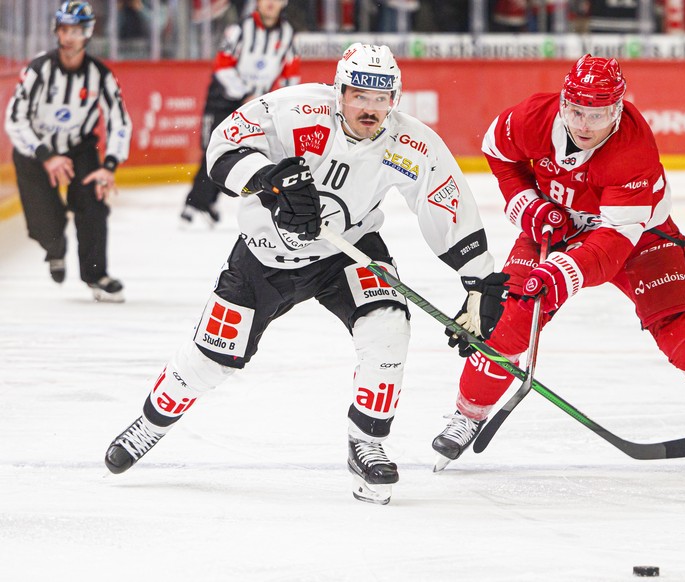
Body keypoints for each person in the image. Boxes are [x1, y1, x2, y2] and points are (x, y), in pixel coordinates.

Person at [104, 43, 509, 505]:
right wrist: (269, 179)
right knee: (209, 360)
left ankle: (367, 443)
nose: (371, 108)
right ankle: (150, 424)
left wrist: (478, 280)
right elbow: (223, 143)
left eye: (382, 98)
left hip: (349, 250)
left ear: (395, 98)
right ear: (339, 92)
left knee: (389, 327)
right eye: (360, 95)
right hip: (265, 255)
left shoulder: (410, 143)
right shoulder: (295, 110)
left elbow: (445, 200)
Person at [431, 55, 685, 476]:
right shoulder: (532, 117)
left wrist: (561, 272)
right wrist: (527, 205)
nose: (584, 124)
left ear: (617, 110)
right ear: (564, 100)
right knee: (510, 316)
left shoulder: (633, 150)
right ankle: (467, 415)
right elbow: (498, 153)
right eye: (576, 110)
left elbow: (614, 244)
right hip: (556, 224)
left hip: (639, 237)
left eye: (597, 115)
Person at [4, 1, 131, 302]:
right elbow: (14, 118)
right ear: (56, 32)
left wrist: (109, 166)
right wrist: (46, 155)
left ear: (87, 33)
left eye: (76, 30)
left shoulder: (100, 75)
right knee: (44, 224)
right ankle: (55, 247)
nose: (69, 37)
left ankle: (96, 274)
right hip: (35, 152)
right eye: (64, 30)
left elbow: (120, 122)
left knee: (93, 204)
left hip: (79, 149)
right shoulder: (38, 70)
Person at [180, 0, 301, 227]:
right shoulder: (238, 30)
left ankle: (205, 202)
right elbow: (223, 66)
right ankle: (195, 203)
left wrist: (282, 101)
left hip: (255, 105)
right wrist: (244, 93)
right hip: (222, 100)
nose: (271, 3)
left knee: (241, 152)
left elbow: (290, 74)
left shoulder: (287, 34)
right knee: (211, 150)